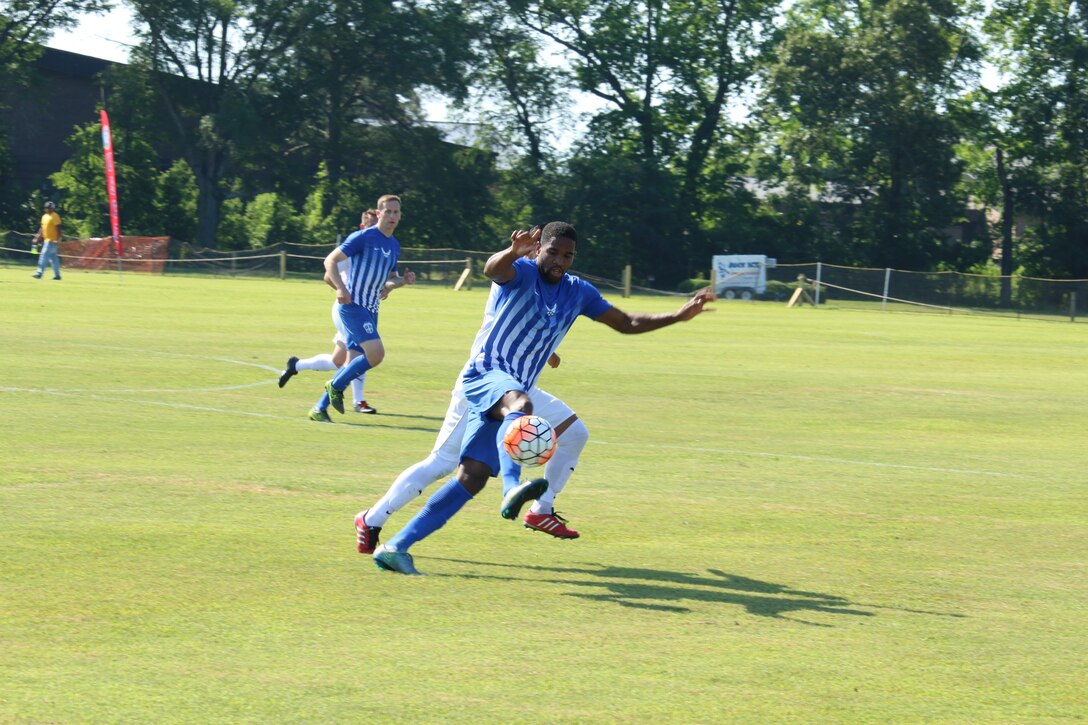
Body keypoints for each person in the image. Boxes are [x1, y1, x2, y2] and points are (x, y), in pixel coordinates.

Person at [371, 221, 715, 574]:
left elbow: (625, 322)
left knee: (471, 476)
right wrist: (511, 251)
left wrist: (677, 315)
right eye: (553, 252)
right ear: (538, 249)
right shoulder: (520, 270)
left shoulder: (578, 291)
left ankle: (396, 547)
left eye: (567, 256)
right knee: (517, 408)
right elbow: (494, 270)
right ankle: (511, 488)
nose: (560, 261)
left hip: (513, 388)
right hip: (485, 376)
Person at [354, 311, 588, 556]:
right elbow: (498, 319)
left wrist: (544, 349)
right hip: (484, 385)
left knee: (574, 433)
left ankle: (542, 509)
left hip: (521, 386)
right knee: (443, 462)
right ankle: (372, 519)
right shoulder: (514, 276)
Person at [308, 195, 415, 422]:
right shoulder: (363, 237)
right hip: (352, 305)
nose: (392, 216)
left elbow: (390, 280)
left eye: (396, 212)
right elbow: (330, 261)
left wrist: (403, 281)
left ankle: (319, 409)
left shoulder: (393, 245)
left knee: (353, 364)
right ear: (378, 213)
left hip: (372, 308)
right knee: (376, 354)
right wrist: (340, 288)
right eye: (388, 212)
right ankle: (334, 385)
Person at [279, 209, 380, 413]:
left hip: (364, 308)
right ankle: (354, 402)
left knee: (338, 361)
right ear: (362, 226)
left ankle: (296, 365)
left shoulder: (379, 248)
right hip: (348, 308)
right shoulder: (353, 247)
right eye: (370, 224)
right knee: (361, 353)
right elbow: (327, 275)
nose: (374, 228)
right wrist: (343, 290)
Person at [32, 201, 62, 280]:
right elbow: (42, 229)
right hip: (46, 240)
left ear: (53, 208)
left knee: (43, 256)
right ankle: (57, 275)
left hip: (52, 241)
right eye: (47, 207)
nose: (48, 209)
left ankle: (39, 273)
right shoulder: (44, 216)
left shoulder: (55, 216)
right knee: (54, 258)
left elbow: (58, 228)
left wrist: (57, 239)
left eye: (50, 207)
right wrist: (37, 238)